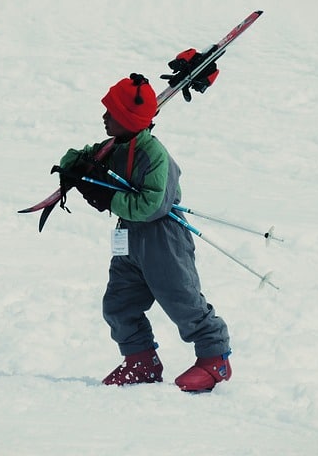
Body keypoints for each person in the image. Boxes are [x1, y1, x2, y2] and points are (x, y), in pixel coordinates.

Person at [58, 73, 231, 392]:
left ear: (126, 117)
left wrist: (109, 197)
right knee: (118, 304)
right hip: (129, 237)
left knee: (183, 302)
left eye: (110, 112)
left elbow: (153, 205)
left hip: (162, 238)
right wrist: (76, 167)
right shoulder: (115, 146)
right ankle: (141, 361)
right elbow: (79, 156)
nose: (104, 116)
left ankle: (214, 359)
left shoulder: (155, 155)